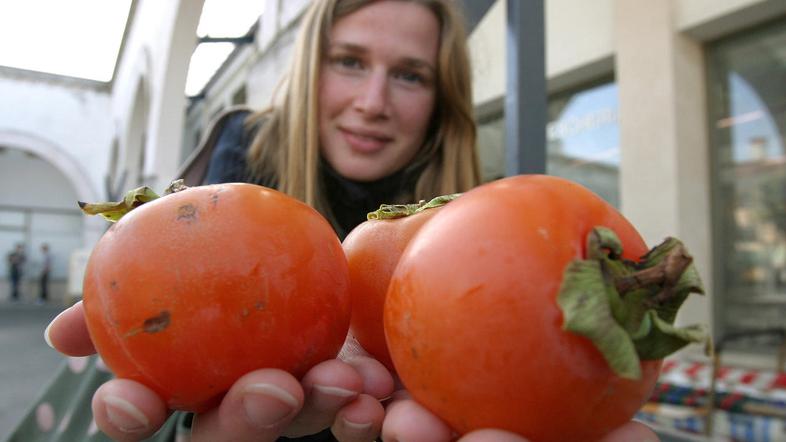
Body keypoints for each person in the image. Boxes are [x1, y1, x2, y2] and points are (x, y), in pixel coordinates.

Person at [21, 1, 660, 441]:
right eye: (350, 61)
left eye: (409, 75)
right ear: (310, 68)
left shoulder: (488, 225)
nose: (372, 102)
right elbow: (183, 307)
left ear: (442, 101)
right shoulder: (240, 152)